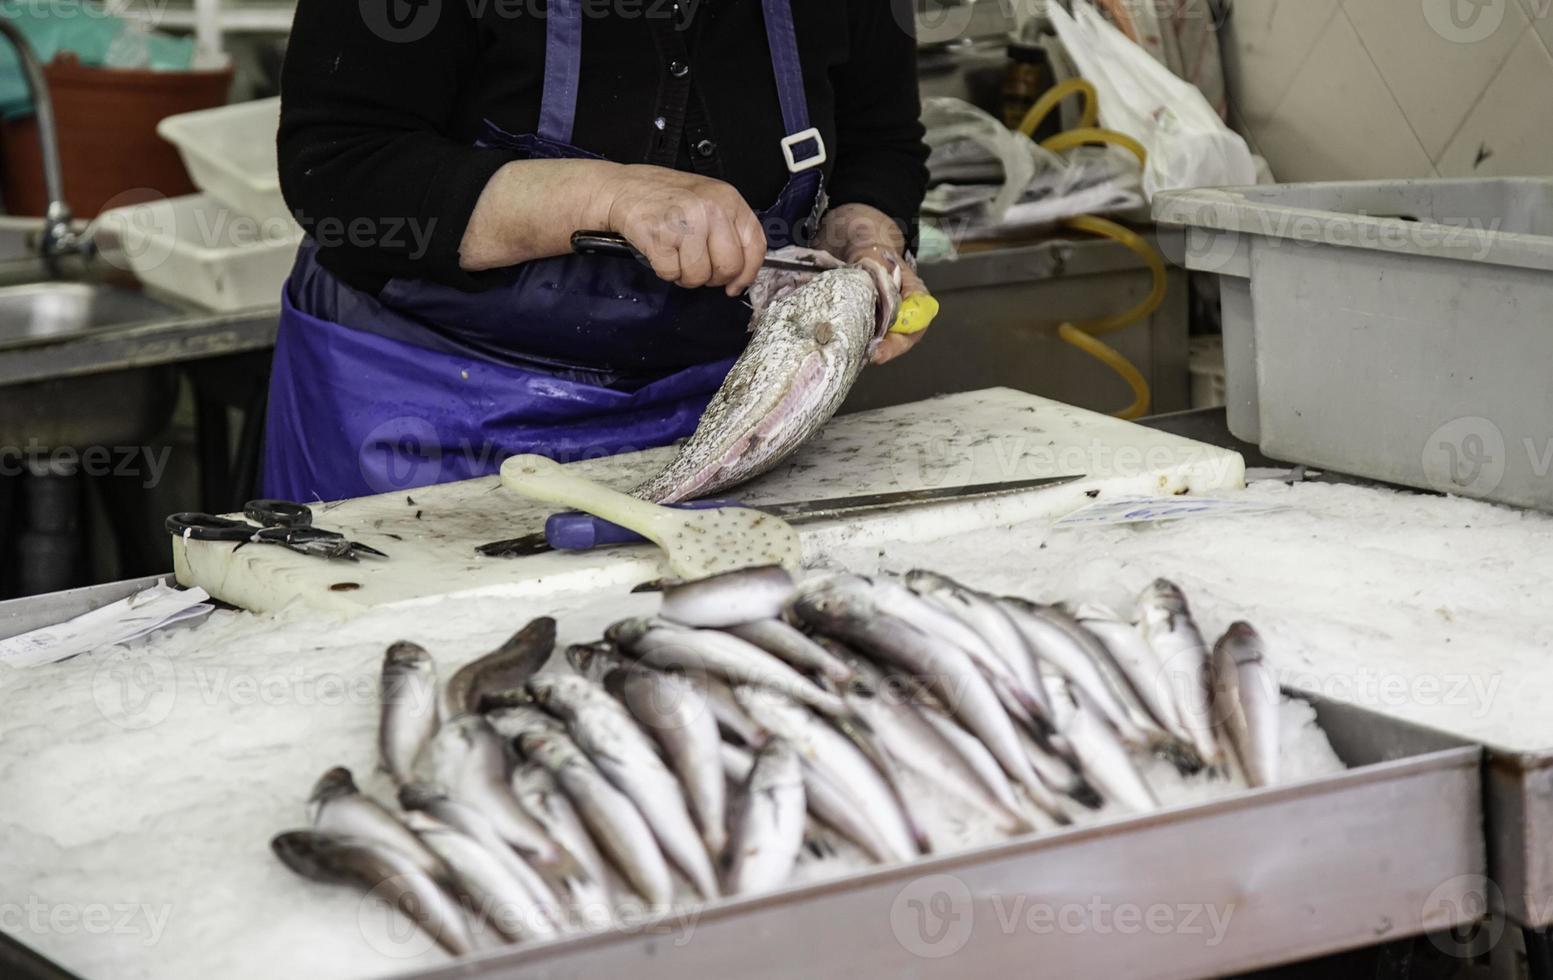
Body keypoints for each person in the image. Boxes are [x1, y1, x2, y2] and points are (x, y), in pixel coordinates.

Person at [265, 0, 934, 502]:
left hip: (723, 414)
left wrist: (864, 228)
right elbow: (339, 169)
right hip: (426, 415)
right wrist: (608, 195)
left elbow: (879, 136)